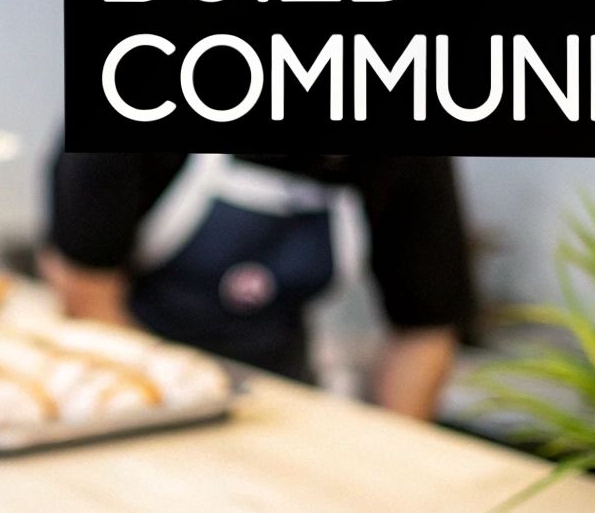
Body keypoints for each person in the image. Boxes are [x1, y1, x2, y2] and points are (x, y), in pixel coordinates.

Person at [43, 152, 474, 419]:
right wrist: (165, 410)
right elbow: (85, 288)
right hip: (128, 389)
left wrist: (394, 462)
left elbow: (425, 330)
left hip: (284, 400)